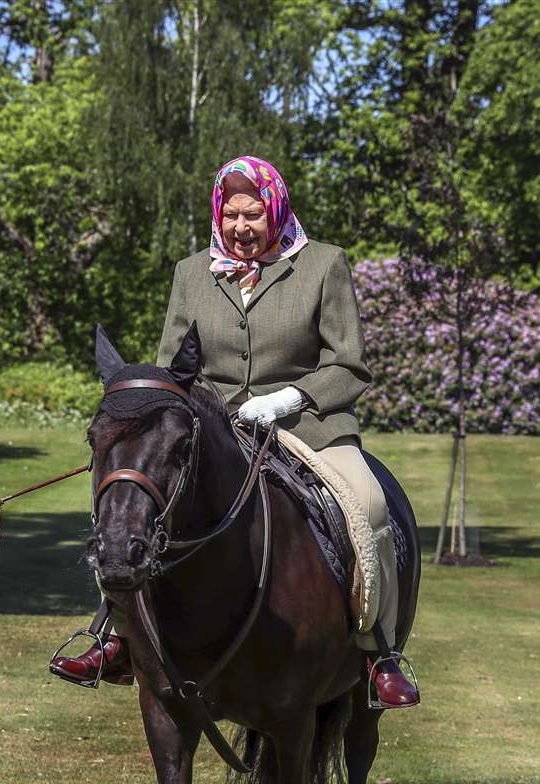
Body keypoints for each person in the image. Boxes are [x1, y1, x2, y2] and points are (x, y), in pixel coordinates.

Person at [51, 155, 418, 709]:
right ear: (218, 215)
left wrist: (289, 399)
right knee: (133, 504)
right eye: (232, 216)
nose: (242, 228)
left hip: (308, 424)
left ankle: (378, 651)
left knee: (368, 503)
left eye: (254, 215)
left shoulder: (322, 265)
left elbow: (349, 364)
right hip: (213, 427)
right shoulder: (190, 272)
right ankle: (117, 636)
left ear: (275, 209)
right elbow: (173, 367)